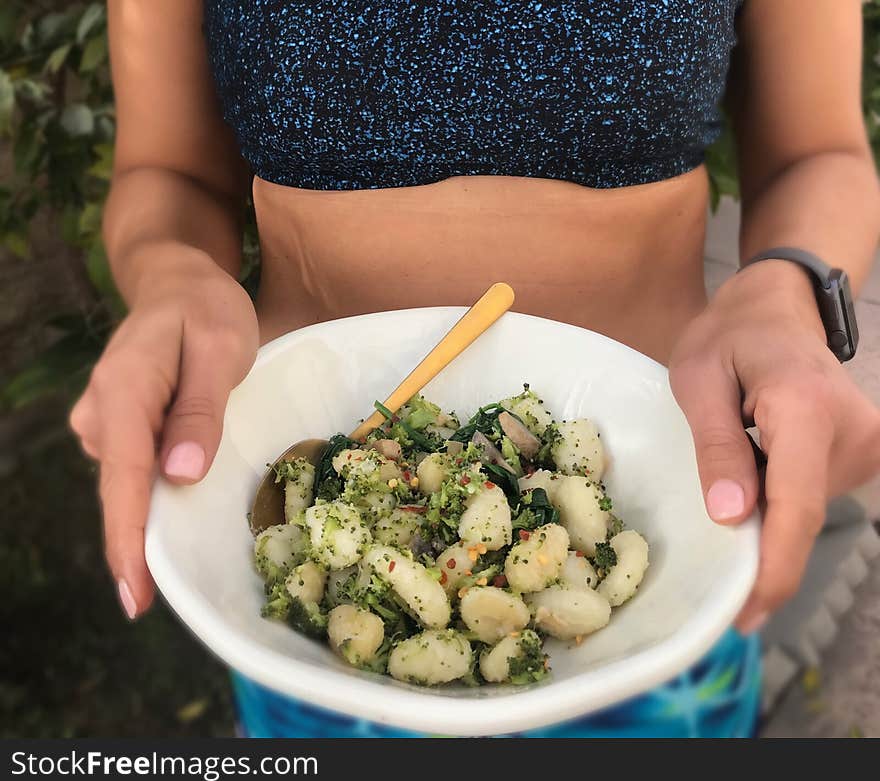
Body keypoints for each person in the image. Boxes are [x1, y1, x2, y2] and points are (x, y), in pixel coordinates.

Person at [69, 0, 880, 737]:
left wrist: (788, 293)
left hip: (663, 548)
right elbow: (166, 173)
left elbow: (816, 152)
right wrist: (172, 274)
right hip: (319, 633)